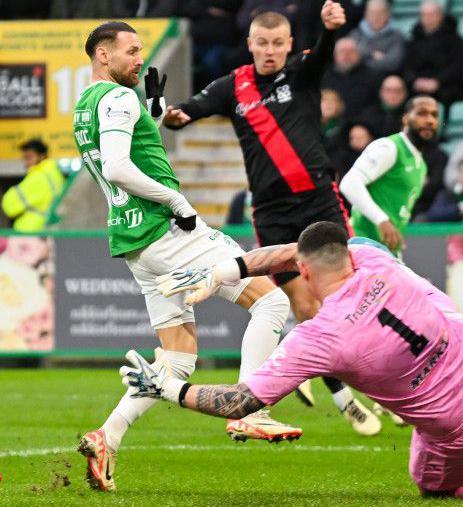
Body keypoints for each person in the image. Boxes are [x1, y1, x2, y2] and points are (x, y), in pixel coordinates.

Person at [128, 221, 463, 499]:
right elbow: (299, 251)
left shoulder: (319, 338)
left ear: (302, 271)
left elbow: (240, 402)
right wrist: (227, 269)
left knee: (435, 489)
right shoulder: (370, 254)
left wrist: (165, 388)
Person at [72, 21, 300, 492]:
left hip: (134, 243)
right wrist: (177, 202)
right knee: (272, 302)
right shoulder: (117, 98)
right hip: (167, 232)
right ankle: (253, 411)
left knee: (176, 361)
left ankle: (107, 437)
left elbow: (129, 149)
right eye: (131, 51)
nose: (140, 58)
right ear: (101, 55)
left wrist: (152, 113)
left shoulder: (86, 105)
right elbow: (117, 166)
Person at [162, 7, 379, 436]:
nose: (270, 51)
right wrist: (176, 115)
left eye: (278, 43)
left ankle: (370, 374)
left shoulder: (301, 72)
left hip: (319, 199)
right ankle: (344, 398)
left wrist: (330, 30)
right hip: (273, 211)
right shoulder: (234, 86)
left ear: (289, 45)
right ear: (250, 44)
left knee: (349, 291)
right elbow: (192, 108)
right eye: (262, 43)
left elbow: (322, 54)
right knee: (301, 305)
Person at [339, 96, 439, 253]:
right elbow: (349, 183)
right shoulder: (389, 147)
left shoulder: (421, 165)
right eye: (422, 113)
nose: (430, 120)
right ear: (406, 118)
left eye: (434, 115)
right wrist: (382, 220)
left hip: (386, 250)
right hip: (363, 244)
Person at [403, 0, 463, 105]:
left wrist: (438, 82)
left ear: (441, 15)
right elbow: (406, 65)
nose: (428, 18)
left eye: (432, 14)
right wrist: (414, 80)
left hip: (446, 88)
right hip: (417, 88)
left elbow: (459, 66)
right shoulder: (413, 41)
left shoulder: (455, 40)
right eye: (424, 15)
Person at [1, 139, 65, 232]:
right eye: (24, 158)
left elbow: (9, 207)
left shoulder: (38, 177)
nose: (26, 163)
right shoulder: (54, 173)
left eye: (29, 157)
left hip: (31, 232)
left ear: (42, 156)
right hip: (47, 229)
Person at [322, 37, 383, 118]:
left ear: (359, 54)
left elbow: (376, 106)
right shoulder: (324, 76)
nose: (346, 55)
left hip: (361, 125)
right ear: (335, 55)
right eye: (342, 51)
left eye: (351, 51)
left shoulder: (373, 76)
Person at [348, 0, 406, 74]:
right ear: (365, 14)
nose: (376, 17)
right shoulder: (354, 35)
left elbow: (394, 63)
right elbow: (348, 60)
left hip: (385, 79)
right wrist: (372, 54)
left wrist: (362, 57)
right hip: (358, 80)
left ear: (388, 14)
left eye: (380, 13)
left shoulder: (397, 37)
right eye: (372, 13)